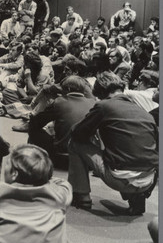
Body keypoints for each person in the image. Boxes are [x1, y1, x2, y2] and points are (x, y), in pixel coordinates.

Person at [68, 71, 158, 215]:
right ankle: (136, 197)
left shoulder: (104, 106)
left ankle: (82, 196)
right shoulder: (145, 113)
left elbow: (77, 133)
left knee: (75, 143)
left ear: (100, 91)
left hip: (121, 177)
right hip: (148, 178)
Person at [28, 75, 96, 158]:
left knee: (32, 125)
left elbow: (37, 122)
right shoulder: (93, 103)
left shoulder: (60, 102)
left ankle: (32, 156)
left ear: (68, 89)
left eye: (62, 89)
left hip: (63, 154)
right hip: (86, 155)